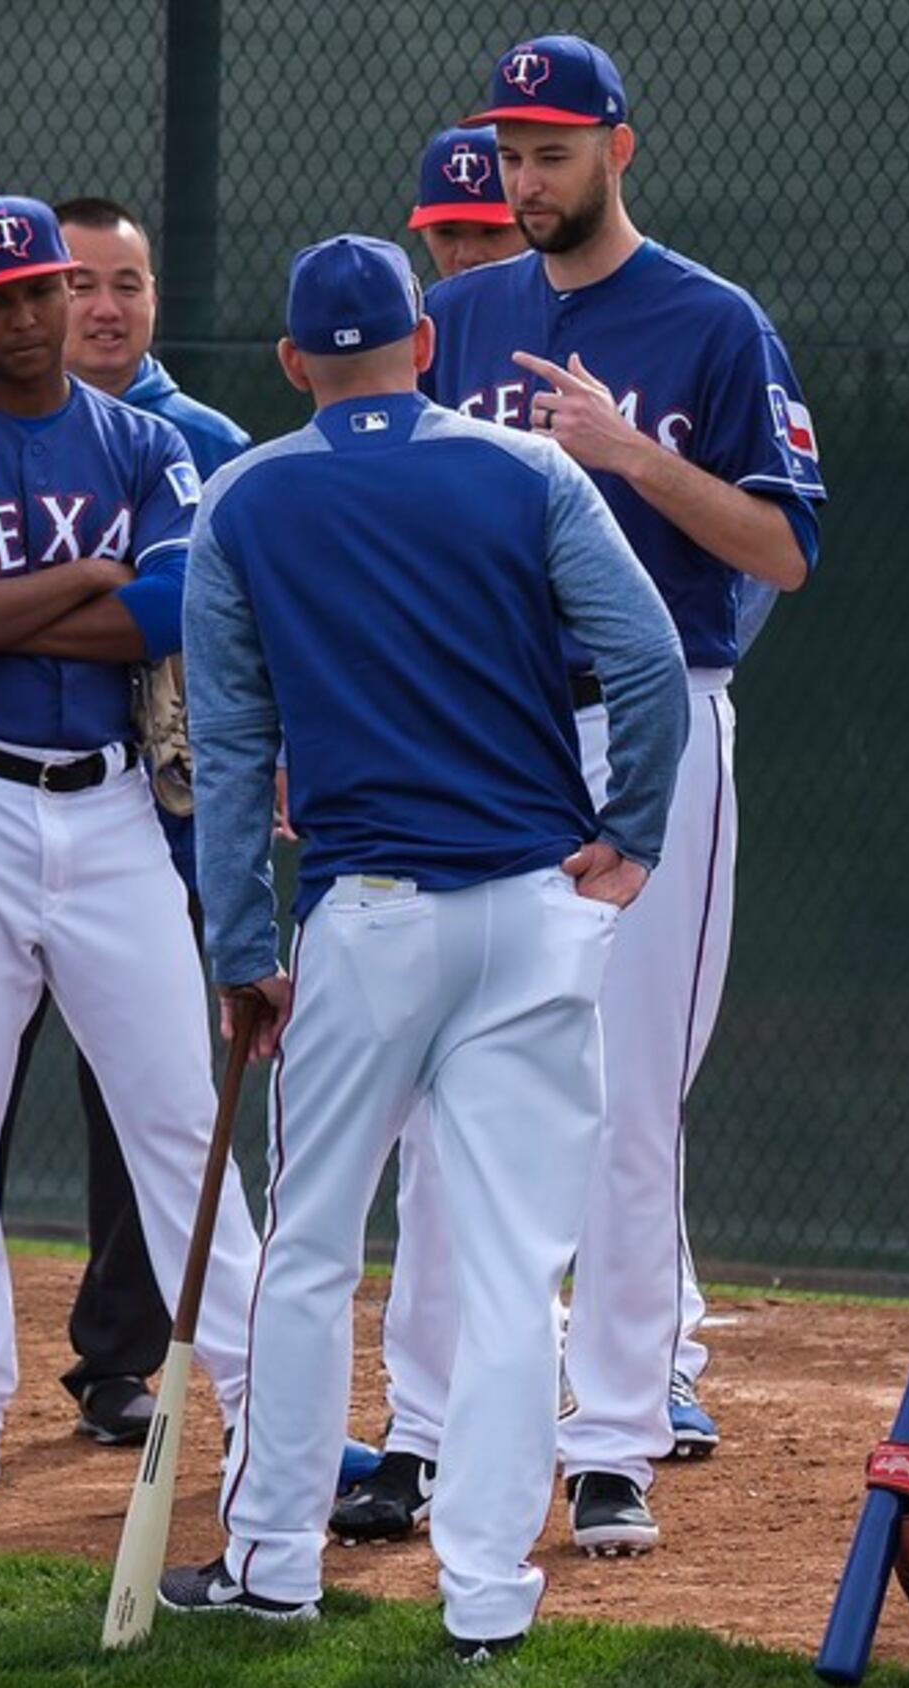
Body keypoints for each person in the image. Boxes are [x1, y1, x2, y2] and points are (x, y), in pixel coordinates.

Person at [167, 234, 683, 1647]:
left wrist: (238, 949)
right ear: (427, 343)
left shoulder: (243, 497)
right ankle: (488, 1596)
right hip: (532, 908)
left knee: (314, 1246)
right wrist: (628, 833)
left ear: (293, 364)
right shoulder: (526, 471)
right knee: (515, 1268)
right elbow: (646, 662)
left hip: (368, 915)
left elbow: (229, 747)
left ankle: (271, 1562)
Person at [422, 35, 825, 1554]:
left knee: (629, 1089)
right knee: (463, 1076)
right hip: (490, 736)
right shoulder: (454, 320)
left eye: (552, 149)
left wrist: (623, 459)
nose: (526, 177)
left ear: (618, 149)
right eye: (509, 152)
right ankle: (452, 1416)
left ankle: (614, 1437)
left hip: (656, 725)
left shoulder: (712, 323)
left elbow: (781, 550)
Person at [0, 195, 260, 1504]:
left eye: (48, 289)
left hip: (111, 806)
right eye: (7, 295)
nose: (32, 315)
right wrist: (84, 583)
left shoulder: (149, 444)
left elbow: (167, 608)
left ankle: (268, 1393)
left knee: (180, 1114)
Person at [323, 127, 534, 1547]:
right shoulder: (310, 481)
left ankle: (592, 1412)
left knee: (487, 1167)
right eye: (445, 237)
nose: (467, 255)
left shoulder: (519, 451)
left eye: (484, 228)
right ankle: (427, 1450)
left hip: (485, 835)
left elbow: (643, 656)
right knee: (436, 1169)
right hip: (439, 843)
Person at [408, 125, 527, 280]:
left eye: (492, 232)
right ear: (425, 233)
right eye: (447, 233)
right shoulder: (417, 304)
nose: (468, 256)